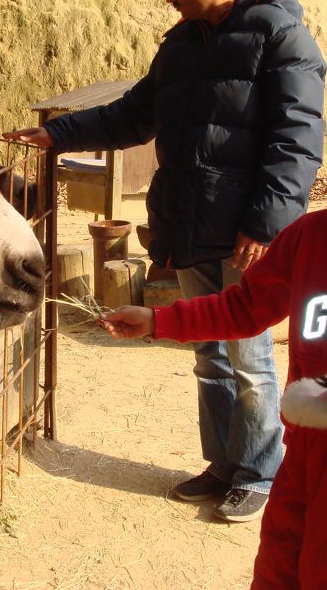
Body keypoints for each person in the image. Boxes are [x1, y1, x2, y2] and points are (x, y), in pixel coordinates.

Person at [3, 0, 325, 522]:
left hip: (246, 233)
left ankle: (258, 471)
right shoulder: (181, 45)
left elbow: (299, 138)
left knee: (249, 357)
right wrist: (59, 134)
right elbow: (134, 114)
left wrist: (267, 222)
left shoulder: (280, 33)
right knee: (209, 352)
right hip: (190, 222)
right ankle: (223, 465)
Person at [98, 208, 327, 589]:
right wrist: (159, 320)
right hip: (305, 453)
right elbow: (244, 305)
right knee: (279, 566)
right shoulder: (312, 235)